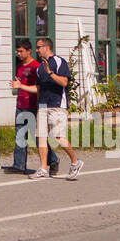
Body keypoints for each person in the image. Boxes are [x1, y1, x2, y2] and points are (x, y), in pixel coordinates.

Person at [31, 38, 82, 180]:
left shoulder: (59, 62)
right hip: (43, 105)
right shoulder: (39, 67)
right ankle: (43, 168)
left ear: (46, 47)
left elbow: (64, 82)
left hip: (57, 105)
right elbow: (39, 88)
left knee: (58, 137)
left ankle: (75, 162)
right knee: (41, 138)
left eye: (38, 47)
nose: (37, 50)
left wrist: (50, 73)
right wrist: (20, 86)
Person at [10, 38, 58, 176]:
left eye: (21, 51)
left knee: (37, 137)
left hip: (33, 105)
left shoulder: (36, 66)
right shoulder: (19, 66)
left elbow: (39, 88)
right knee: (20, 134)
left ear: (29, 51)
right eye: (17, 51)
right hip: (21, 104)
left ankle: (53, 160)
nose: (18, 54)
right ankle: (18, 165)